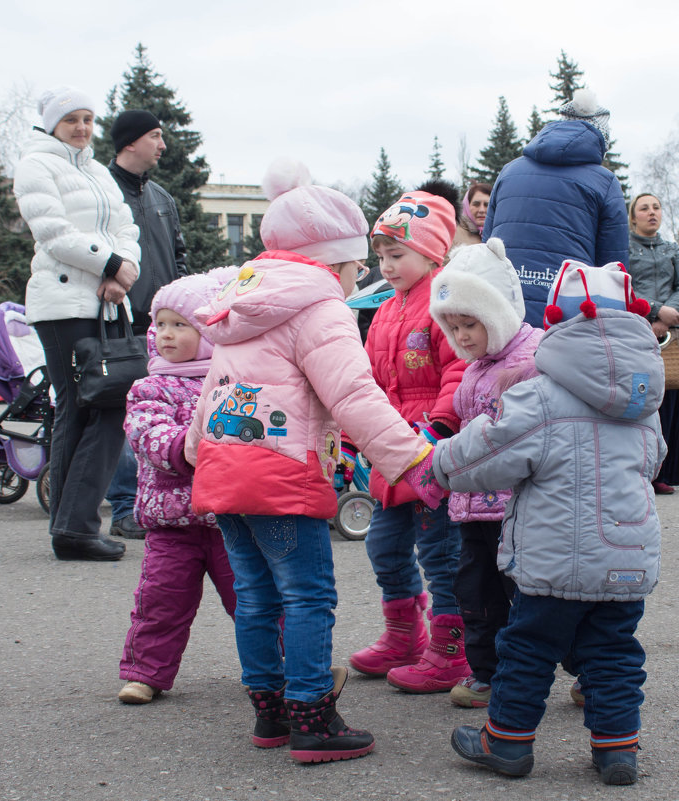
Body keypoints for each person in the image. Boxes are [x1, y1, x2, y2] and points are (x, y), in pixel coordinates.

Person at [183, 160, 435, 764]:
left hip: (223, 468)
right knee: (306, 595)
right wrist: (412, 459)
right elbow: (353, 395)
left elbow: (213, 387)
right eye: (354, 265)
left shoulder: (244, 306)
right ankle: (312, 717)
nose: (358, 277)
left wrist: (196, 454)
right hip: (280, 472)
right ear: (329, 260)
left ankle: (269, 709)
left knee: (256, 593)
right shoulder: (321, 309)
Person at [408, 260, 662, 786]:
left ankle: (506, 743)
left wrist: (436, 465)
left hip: (555, 560)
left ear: (558, 323)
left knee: (527, 648)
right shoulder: (644, 400)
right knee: (614, 653)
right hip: (627, 558)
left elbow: (486, 452)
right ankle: (617, 751)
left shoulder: (540, 395)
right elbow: (653, 462)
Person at [348, 190, 471, 694]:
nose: (387, 265)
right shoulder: (383, 310)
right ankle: (404, 636)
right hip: (390, 450)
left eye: (397, 255)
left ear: (432, 253)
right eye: (380, 257)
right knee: (385, 548)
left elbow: (461, 368)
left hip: (431, 453)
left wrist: (439, 427)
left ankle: (451, 650)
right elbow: (370, 378)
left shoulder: (447, 302)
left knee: (441, 554)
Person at [13, 86, 141, 561]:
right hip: (62, 303)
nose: (83, 128)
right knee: (93, 405)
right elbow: (51, 232)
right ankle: (75, 526)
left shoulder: (96, 171)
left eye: (89, 119)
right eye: (72, 120)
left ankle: (69, 526)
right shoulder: (36, 165)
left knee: (93, 407)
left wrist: (122, 268)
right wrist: (109, 263)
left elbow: (127, 228)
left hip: (104, 301)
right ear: (52, 123)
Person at [427, 237, 542, 710]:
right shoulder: (474, 366)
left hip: (520, 508)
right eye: (453, 327)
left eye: (470, 323)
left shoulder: (533, 360)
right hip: (472, 507)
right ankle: (486, 672)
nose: (462, 336)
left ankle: (582, 667)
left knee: (537, 596)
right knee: (475, 592)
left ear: (497, 313)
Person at [117, 272, 236, 705]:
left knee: (254, 599)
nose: (165, 334)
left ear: (207, 331)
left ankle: (277, 665)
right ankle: (146, 672)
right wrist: (184, 447)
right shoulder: (150, 386)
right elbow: (147, 433)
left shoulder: (229, 379)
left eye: (179, 325)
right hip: (171, 522)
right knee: (161, 599)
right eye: (160, 324)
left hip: (228, 519)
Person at [104, 109, 189, 541]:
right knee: (125, 416)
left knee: (163, 413)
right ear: (130, 142)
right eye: (156, 136)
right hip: (117, 322)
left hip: (161, 327)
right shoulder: (102, 192)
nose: (162, 144)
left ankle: (157, 500)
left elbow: (179, 256)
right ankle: (123, 506)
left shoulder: (162, 199)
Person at [482, 89, 629, 326]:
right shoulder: (605, 181)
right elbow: (613, 269)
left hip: (505, 310)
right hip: (569, 314)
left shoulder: (509, 171)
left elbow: (487, 245)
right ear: (601, 139)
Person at [628, 192, 679, 494]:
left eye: (656, 207)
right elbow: (624, 284)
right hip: (636, 330)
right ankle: (638, 471)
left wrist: (667, 317)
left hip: (670, 335)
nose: (651, 212)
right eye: (644, 208)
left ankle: (664, 474)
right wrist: (654, 310)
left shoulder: (671, 248)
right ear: (633, 217)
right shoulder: (625, 246)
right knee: (641, 403)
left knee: (671, 402)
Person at [453, 182, 492, 248]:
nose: (481, 210)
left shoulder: (499, 233)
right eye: (476, 204)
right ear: (467, 206)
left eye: (487, 205)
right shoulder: (453, 234)